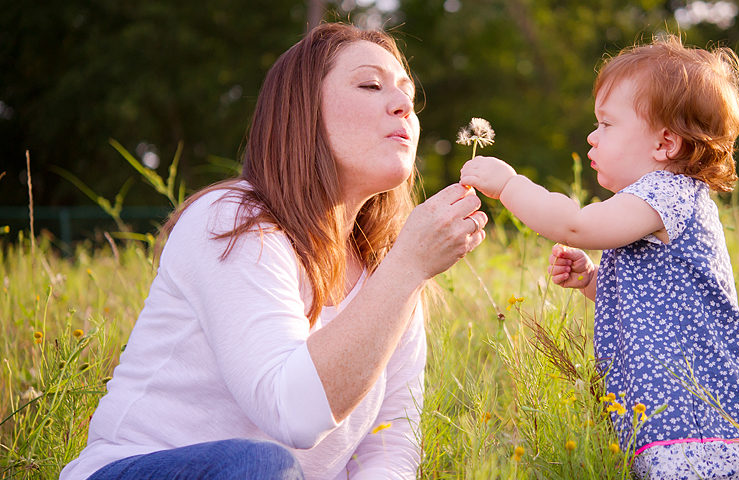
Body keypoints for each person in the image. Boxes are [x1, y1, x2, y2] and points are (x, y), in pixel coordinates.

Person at [60, 23, 488, 480]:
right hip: (138, 469)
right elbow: (293, 413)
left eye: (408, 94)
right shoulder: (231, 221)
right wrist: (408, 267)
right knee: (260, 464)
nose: (404, 106)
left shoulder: (388, 270)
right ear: (302, 111)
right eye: (369, 84)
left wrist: (402, 271)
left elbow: (389, 447)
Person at [460, 35, 739, 478]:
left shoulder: (666, 191)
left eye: (607, 124)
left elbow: (577, 225)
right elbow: (652, 299)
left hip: (699, 418)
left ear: (665, 144)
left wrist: (509, 185)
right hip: (672, 411)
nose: (592, 136)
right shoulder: (649, 204)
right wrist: (594, 279)